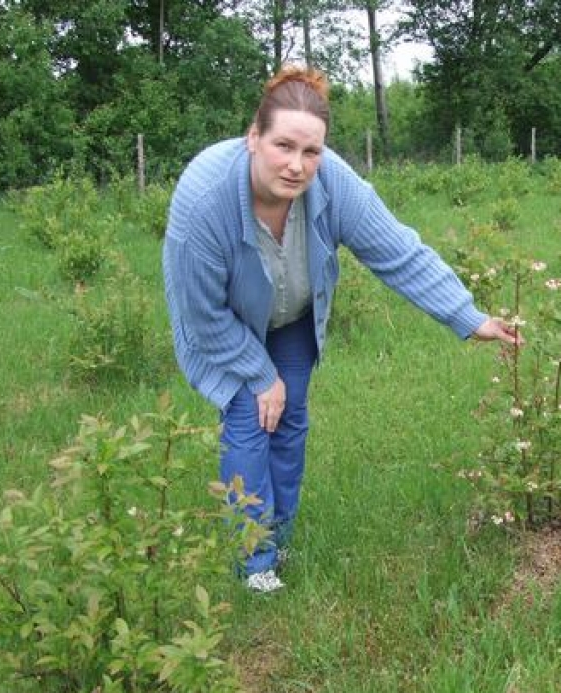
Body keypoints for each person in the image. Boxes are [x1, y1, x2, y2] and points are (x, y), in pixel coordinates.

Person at [162, 66, 519, 593]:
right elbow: (201, 316)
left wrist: (468, 317)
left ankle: (278, 534)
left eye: (311, 151)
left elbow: (398, 251)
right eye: (283, 145)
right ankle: (252, 562)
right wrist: (259, 373)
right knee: (249, 416)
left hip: (293, 316)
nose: (296, 165)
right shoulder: (205, 199)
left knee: (290, 417)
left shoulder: (331, 183)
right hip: (225, 324)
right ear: (253, 136)